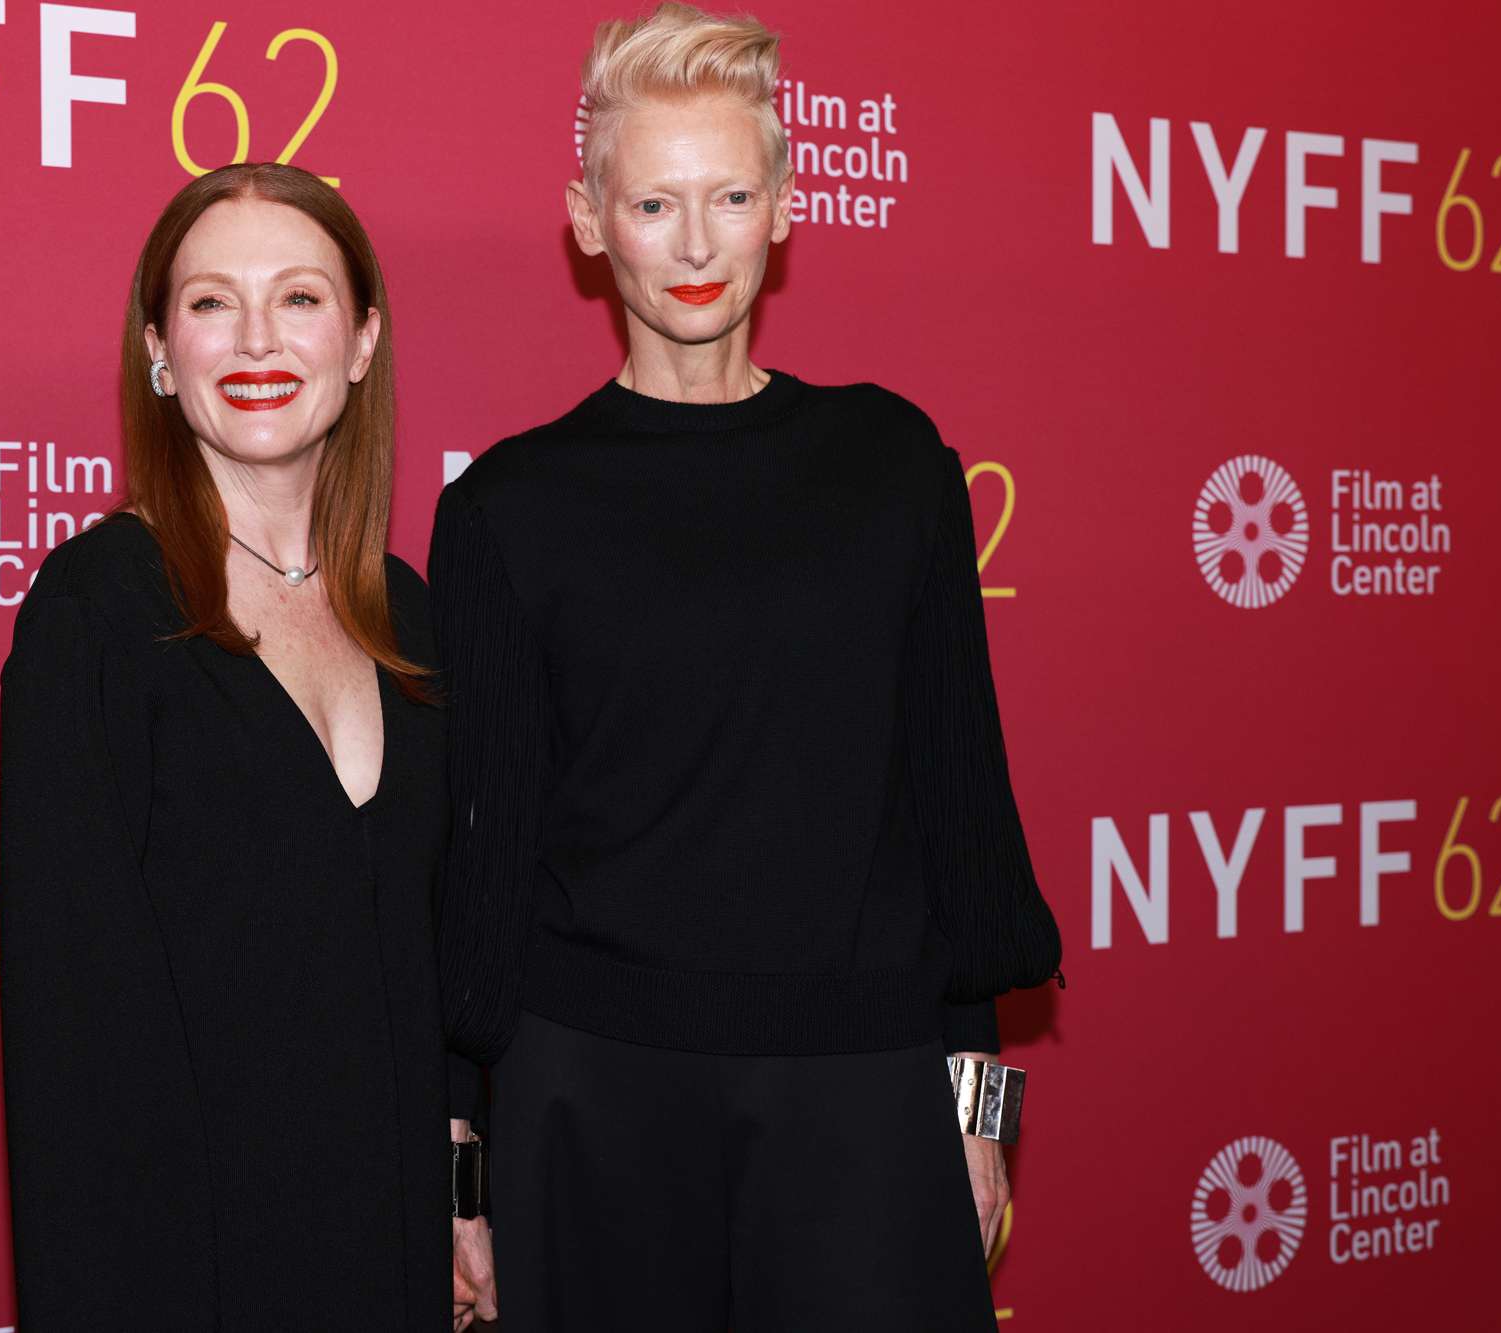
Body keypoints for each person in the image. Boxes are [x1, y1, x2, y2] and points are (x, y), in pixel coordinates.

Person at [431, 6, 1064, 1328]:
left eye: (730, 194)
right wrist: (465, 1175)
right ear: (588, 219)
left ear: (784, 204)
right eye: (654, 202)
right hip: (585, 1103)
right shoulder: (508, 508)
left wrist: (979, 1111)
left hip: (870, 1098)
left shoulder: (892, 467)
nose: (698, 242)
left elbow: (956, 825)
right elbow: (480, 873)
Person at [0, 162, 483, 1332]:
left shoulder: (410, 616)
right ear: (159, 351)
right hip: (194, 1268)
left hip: (398, 1253)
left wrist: (463, 1198)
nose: (255, 339)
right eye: (212, 302)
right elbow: (74, 1044)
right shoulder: (96, 612)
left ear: (361, 342)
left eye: (300, 298)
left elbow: (441, 960)